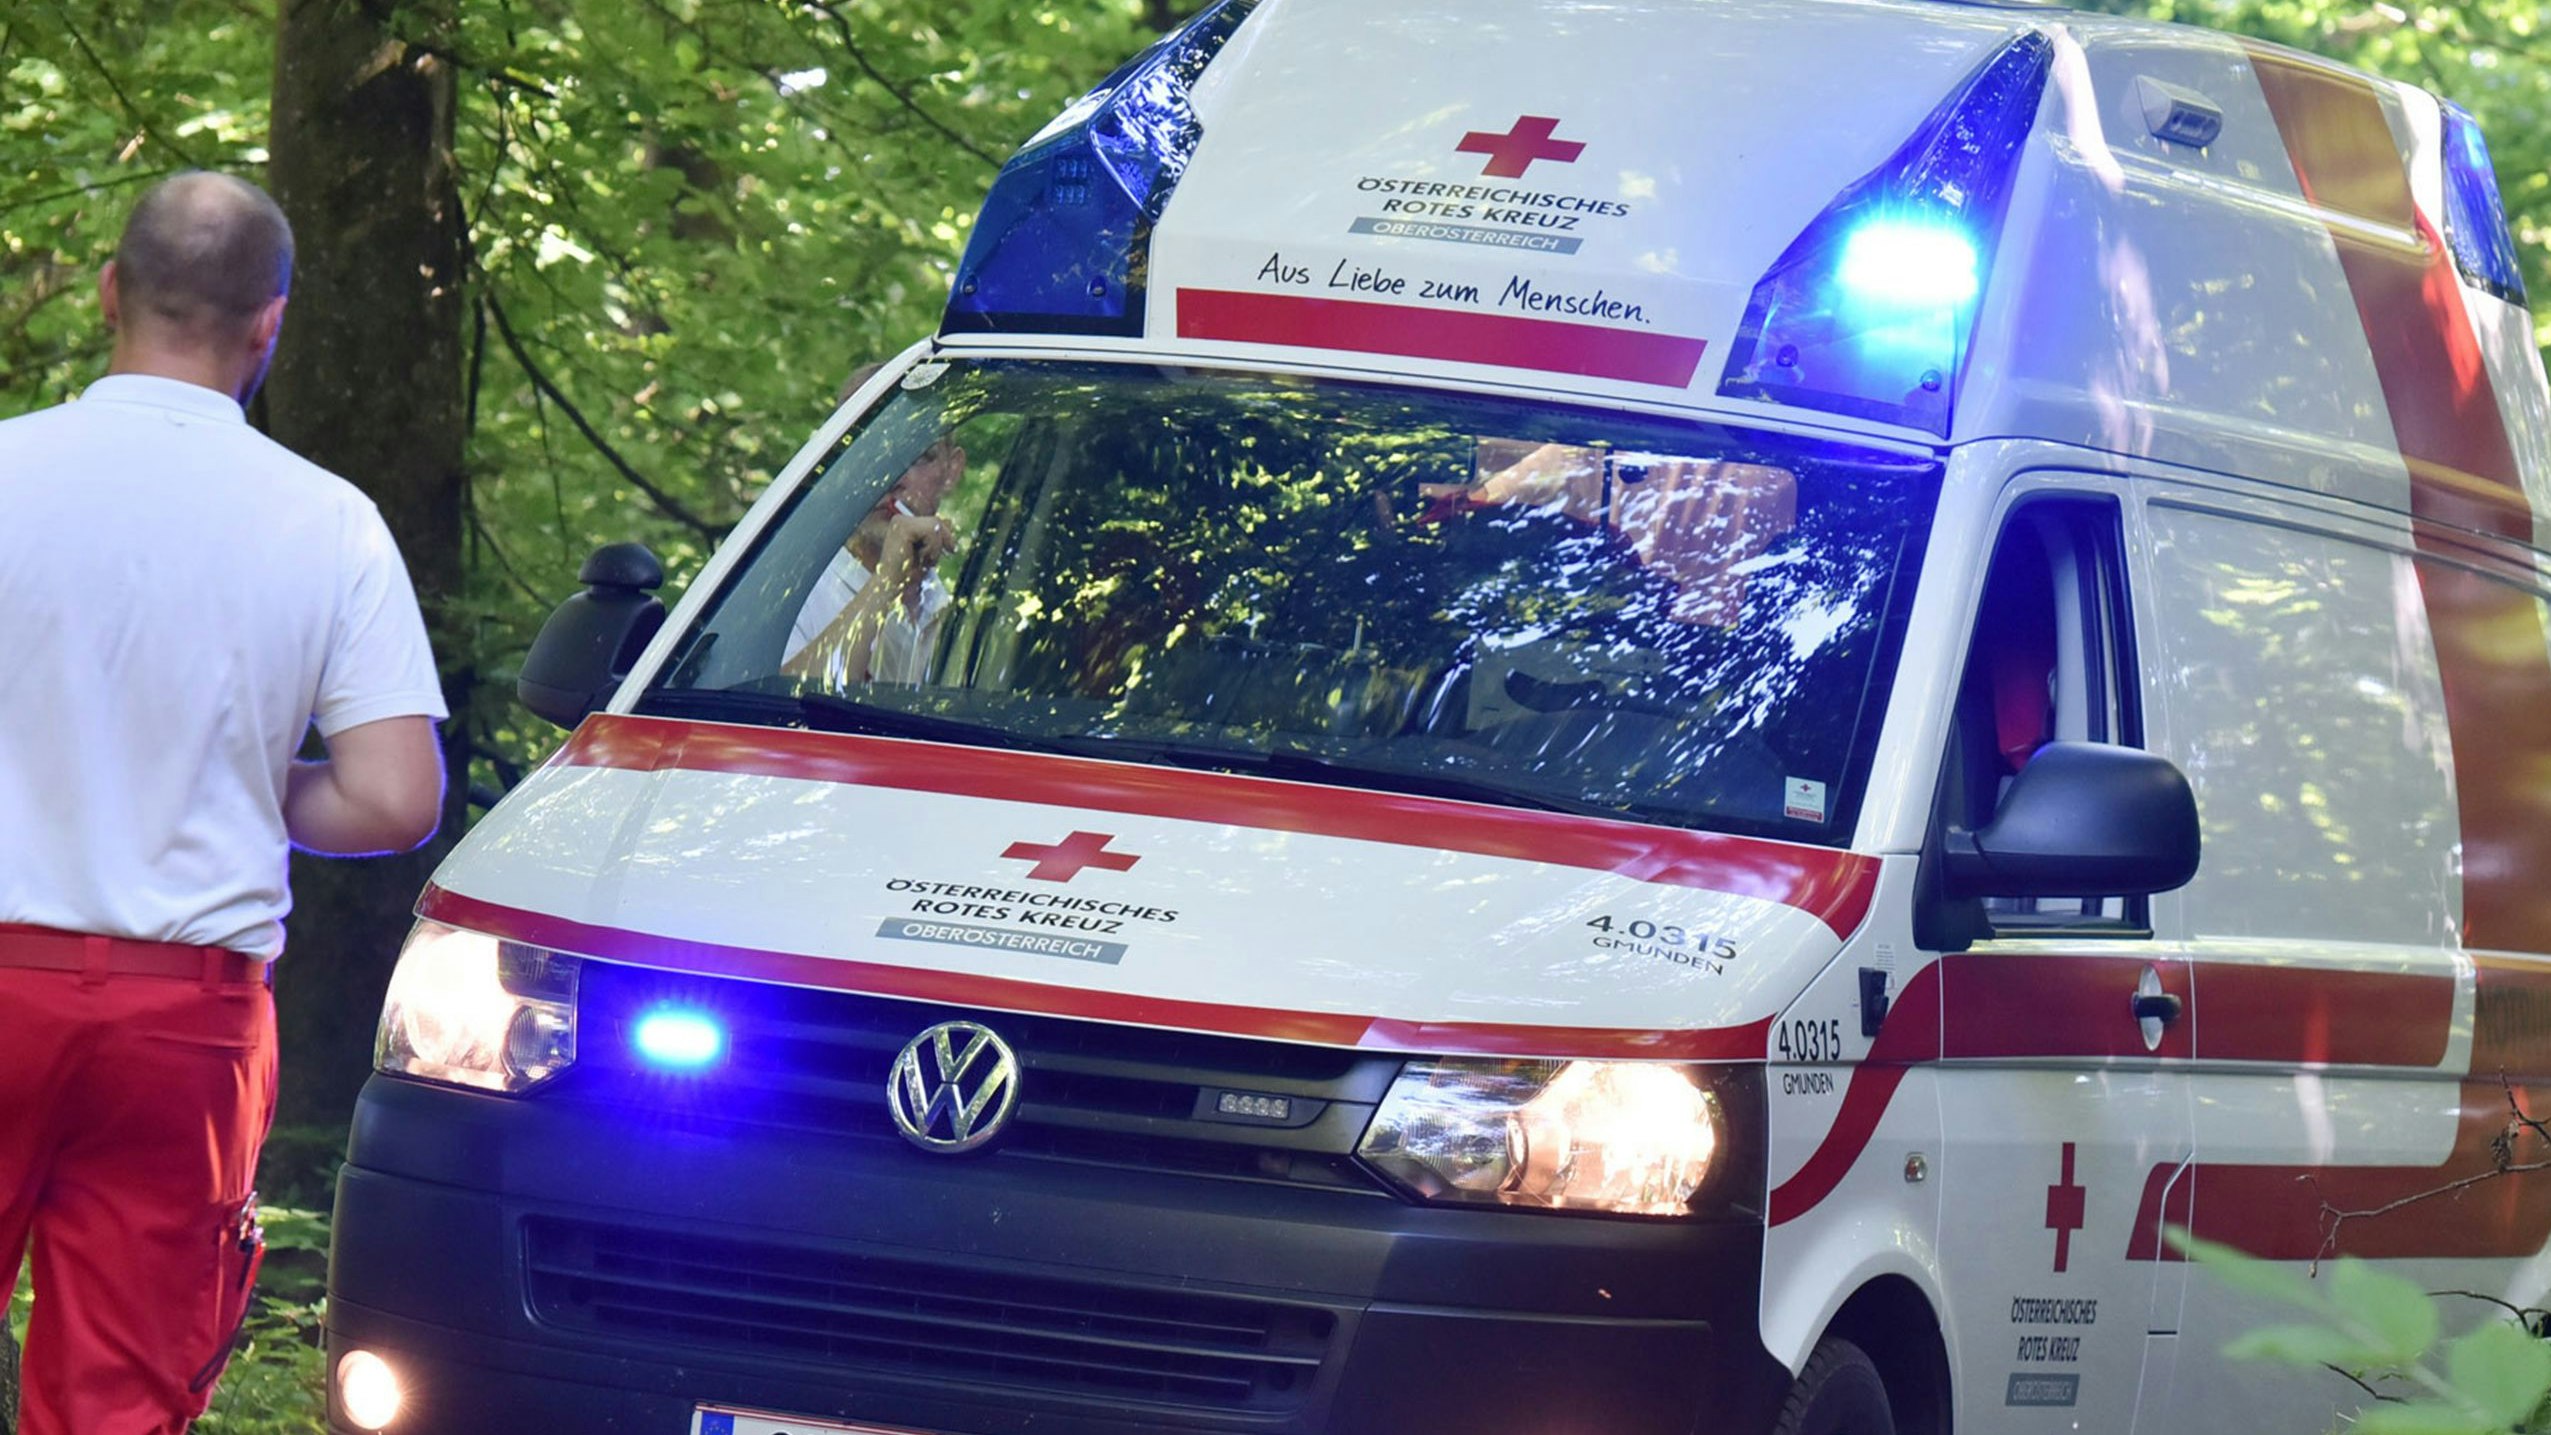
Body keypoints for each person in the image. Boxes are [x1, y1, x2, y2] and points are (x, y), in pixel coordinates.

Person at [0, 172, 447, 1435]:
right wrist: (242, 778)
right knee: (122, 1398)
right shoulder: (331, 523)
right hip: (180, 1027)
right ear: (270, 325)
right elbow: (394, 793)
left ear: (107, 295)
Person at [782, 435, 967, 685]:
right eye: (870, 455)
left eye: (920, 456)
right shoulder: (792, 594)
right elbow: (786, 706)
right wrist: (887, 580)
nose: (891, 478)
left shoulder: (956, 612)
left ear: (952, 470)